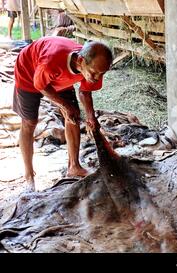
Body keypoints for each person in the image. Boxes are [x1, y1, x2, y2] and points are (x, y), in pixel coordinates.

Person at [13, 36, 113, 191]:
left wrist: (91, 117)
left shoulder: (94, 66)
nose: (97, 78)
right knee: (30, 122)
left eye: (102, 74)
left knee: (73, 117)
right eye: (94, 73)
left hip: (59, 78)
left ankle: (74, 166)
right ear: (80, 61)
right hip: (29, 73)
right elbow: (40, 85)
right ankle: (29, 175)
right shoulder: (51, 61)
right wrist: (64, 106)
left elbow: (85, 92)